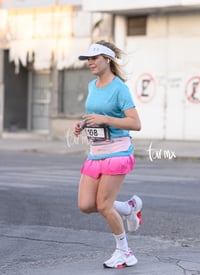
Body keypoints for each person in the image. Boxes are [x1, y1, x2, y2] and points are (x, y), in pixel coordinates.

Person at [74, 40, 143, 268]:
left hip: (118, 151)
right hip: (96, 151)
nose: (90, 62)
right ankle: (128, 207)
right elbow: (94, 115)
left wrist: (106, 119)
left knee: (104, 206)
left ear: (108, 59)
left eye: (94, 58)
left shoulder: (120, 88)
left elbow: (135, 123)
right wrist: (82, 125)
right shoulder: (93, 86)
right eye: (88, 59)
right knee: (85, 205)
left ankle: (125, 252)